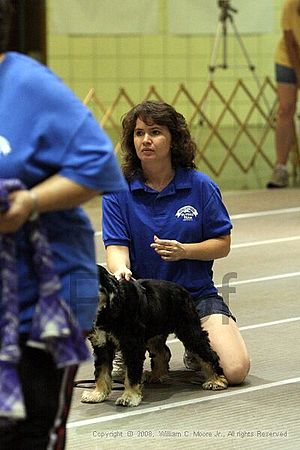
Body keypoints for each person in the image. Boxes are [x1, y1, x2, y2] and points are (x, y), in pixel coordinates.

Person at [0, 1, 125, 449]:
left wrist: (30, 201)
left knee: (25, 436)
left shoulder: (28, 85)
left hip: (41, 301)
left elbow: (99, 165)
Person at [102, 100, 250, 386]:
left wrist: (186, 251)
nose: (146, 140)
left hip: (194, 297)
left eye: (155, 132)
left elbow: (223, 243)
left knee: (234, 370)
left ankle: (195, 349)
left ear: (174, 139)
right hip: (142, 299)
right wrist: (120, 271)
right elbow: (116, 248)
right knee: (122, 375)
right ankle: (153, 348)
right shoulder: (117, 191)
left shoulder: (201, 185)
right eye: (138, 133)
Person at [267, 0, 300, 188]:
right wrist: (298, 73)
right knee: (286, 108)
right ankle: (280, 167)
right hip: (288, 59)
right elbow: (290, 41)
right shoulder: (291, 4)